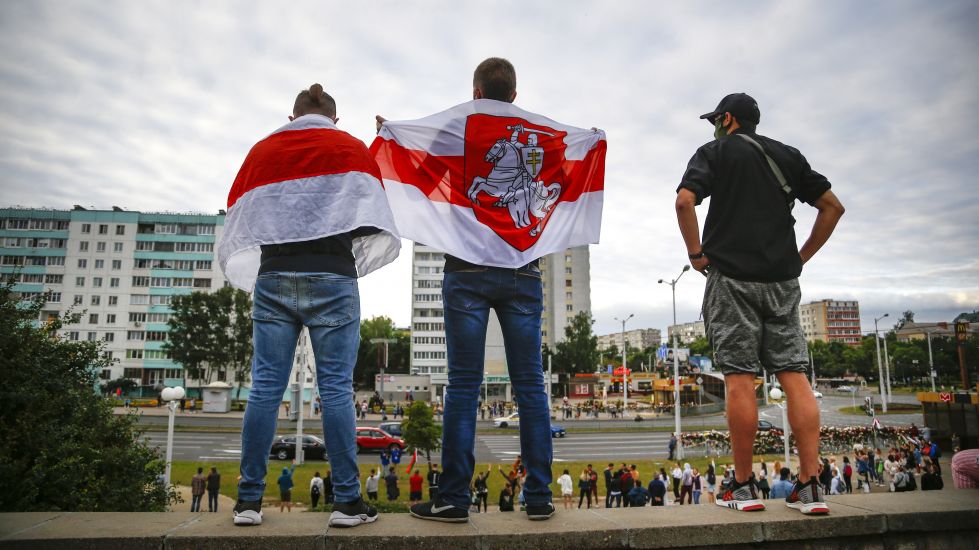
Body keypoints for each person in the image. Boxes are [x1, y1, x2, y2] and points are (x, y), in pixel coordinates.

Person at [223, 83, 398, 528]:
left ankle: (247, 503)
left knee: (265, 388)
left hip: (275, 277)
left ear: (291, 117)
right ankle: (346, 503)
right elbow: (372, 213)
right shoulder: (350, 148)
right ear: (335, 120)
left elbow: (243, 214)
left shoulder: (263, 151)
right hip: (333, 277)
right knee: (336, 388)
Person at [675, 93, 844, 515]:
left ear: (727, 119)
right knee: (794, 375)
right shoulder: (787, 155)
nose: (714, 126)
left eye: (716, 119)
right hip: (783, 282)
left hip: (731, 280)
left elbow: (684, 201)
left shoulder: (713, 152)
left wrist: (696, 254)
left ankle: (744, 486)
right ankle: (809, 487)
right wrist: (799, 257)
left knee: (738, 378)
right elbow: (832, 207)